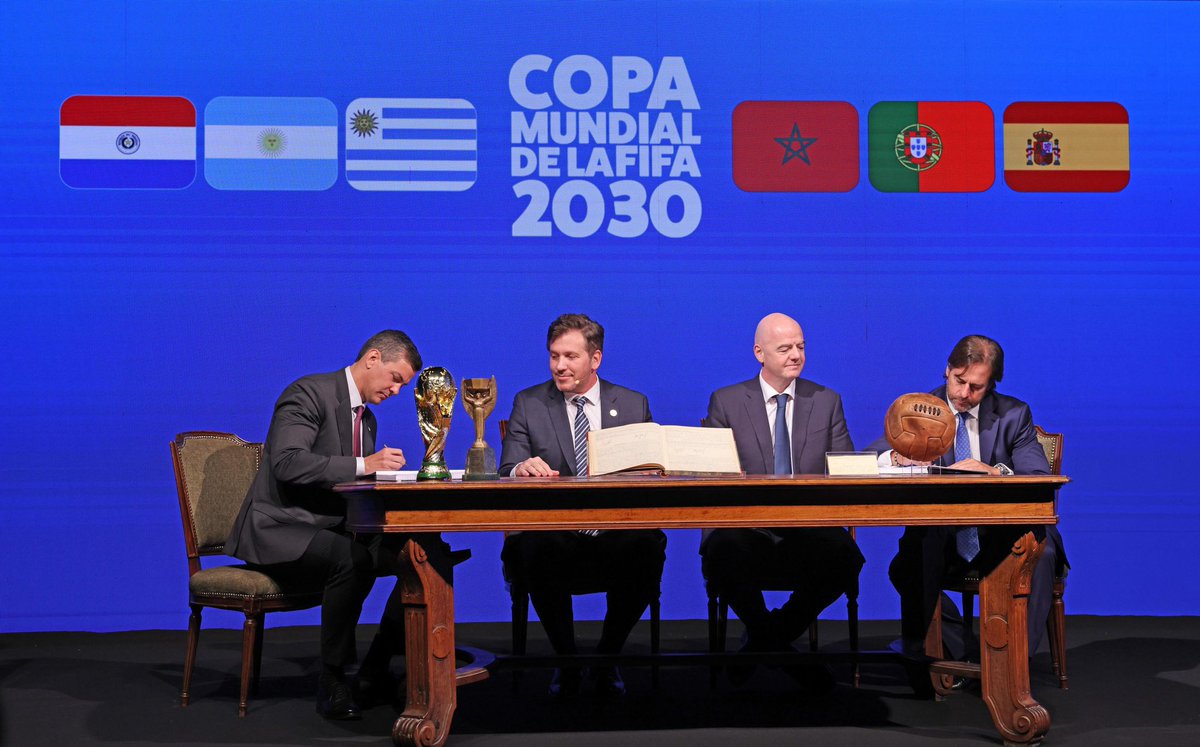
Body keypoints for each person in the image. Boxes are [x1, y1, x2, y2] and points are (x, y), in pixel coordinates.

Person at [226, 330, 448, 720]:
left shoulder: (367, 421)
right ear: (373, 359)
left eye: (405, 385)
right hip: (281, 527)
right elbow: (287, 462)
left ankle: (376, 668)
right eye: (396, 379)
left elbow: (350, 486)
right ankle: (333, 680)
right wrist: (367, 466)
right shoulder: (308, 393)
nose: (398, 391)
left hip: (335, 525)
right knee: (351, 559)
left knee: (427, 555)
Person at [498, 313, 666, 698]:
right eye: (554, 356)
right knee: (534, 546)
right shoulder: (529, 403)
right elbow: (507, 467)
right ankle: (567, 659)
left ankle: (607, 658)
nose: (560, 366)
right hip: (556, 539)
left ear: (596, 359)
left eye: (570, 356)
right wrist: (523, 466)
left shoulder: (632, 404)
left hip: (614, 537)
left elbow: (654, 470)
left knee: (648, 545)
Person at [873, 334, 1067, 659]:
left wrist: (994, 472)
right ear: (947, 370)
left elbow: (1038, 478)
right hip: (944, 536)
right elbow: (867, 457)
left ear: (991, 385)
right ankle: (960, 651)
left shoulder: (1014, 415)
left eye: (975, 387)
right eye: (959, 381)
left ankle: (1014, 665)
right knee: (908, 562)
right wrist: (895, 458)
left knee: (1041, 554)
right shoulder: (921, 409)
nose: (964, 394)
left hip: (1000, 535)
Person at [701, 313, 865, 691]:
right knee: (721, 551)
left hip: (807, 529)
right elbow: (711, 474)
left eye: (801, 347)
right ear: (759, 353)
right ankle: (787, 654)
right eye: (785, 348)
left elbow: (844, 471)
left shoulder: (826, 401)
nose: (796, 355)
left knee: (846, 557)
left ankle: (766, 640)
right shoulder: (726, 401)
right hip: (748, 530)